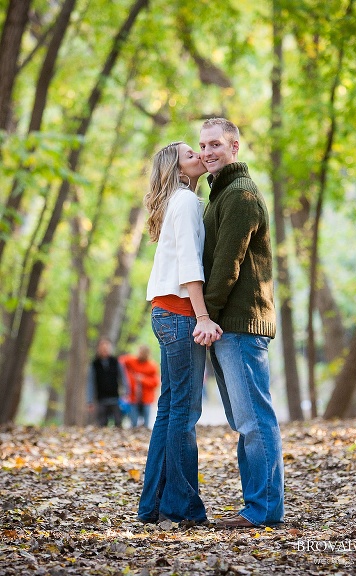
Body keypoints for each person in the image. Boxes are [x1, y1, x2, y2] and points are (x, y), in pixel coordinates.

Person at [197, 117, 284, 529]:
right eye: (203, 145)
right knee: (243, 422)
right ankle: (258, 506)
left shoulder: (241, 195)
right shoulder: (222, 194)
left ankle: (264, 511)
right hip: (228, 324)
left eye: (216, 143)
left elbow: (227, 265)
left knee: (254, 420)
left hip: (240, 324)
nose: (208, 151)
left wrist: (205, 317)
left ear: (235, 147)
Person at [136, 141, 222, 526]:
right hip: (181, 315)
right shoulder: (185, 202)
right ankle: (181, 508)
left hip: (165, 313)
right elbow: (189, 264)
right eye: (191, 154)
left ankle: (153, 506)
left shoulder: (178, 201)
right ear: (177, 169)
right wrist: (202, 317)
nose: (200, 156)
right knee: (183, 415)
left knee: (170, 412)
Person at [87, 337, 126, 427]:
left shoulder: (116, 362)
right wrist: (89, 401)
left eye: (107, 348)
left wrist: (125, 393)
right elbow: (90, 383)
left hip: (115, 399)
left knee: (118, 423)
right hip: (101, 400)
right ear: (99, 349)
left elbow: (123, 378)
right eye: (102, 348)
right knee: (102, 424)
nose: (105, 350)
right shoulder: (94, 364)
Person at [120, 344, 160, 428]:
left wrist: (143, 379)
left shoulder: (152, 366)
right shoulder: (131, 361)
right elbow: (120, 361)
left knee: (146, 423)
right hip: (133, 397)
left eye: (144, 353)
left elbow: (155, 383)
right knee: (133, 422)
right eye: (140, 352)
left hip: (147, 398)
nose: (142, 355)